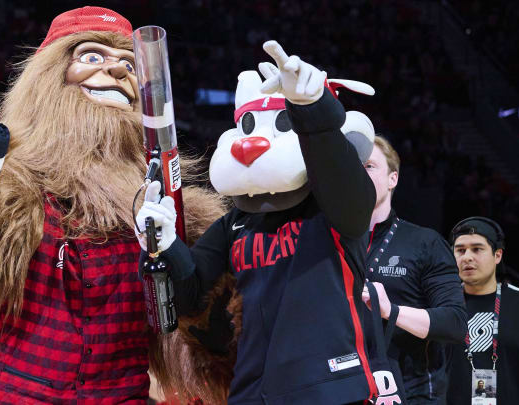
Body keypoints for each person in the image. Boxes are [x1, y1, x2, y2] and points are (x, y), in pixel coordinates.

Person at [0, 6, 223, 403]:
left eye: (128, 63)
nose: (119, 70)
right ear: (50, 79)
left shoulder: (168, 206)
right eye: (92, 57)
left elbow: (203, 341)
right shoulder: (12, 189)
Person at [138, 43, 379, 403]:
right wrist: (167, 245)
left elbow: (337, 172)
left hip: (328, 388)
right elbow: (190, 301)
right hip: (253, 389)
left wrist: (311, 108)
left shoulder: (331, 205)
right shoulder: (235, 223)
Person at [359, 135, 467, 403]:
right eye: (354, 166)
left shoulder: (425, 242)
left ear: (393, 179)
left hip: (411, 392)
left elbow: (455, 323)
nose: (360, 173)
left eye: (369, 166)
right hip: (349, 388)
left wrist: (391, 311)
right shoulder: (330, 242)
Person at [447, 217, 519, 404]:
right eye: (460, 250)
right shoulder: (441, 305)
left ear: (497, 255)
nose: (467, 257)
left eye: (477, 249)